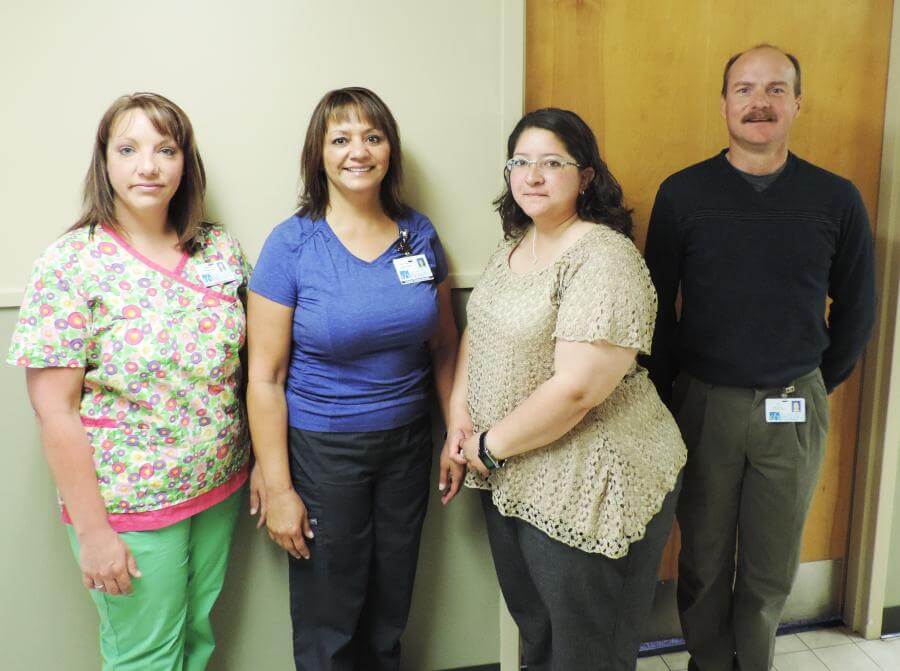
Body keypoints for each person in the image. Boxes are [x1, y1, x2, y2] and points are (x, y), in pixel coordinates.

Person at [642, 44, 876, 671]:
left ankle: (755, 662)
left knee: (772, 564)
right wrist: (669, 397)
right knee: (704, 558)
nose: (760, 103)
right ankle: (710, 663)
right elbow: (657, 308)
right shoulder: (683, 195)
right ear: (724, 104)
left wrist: (816, 383)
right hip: (703, 403)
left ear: (798, 103)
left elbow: (857, 310)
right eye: (744, 89)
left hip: (795, 403)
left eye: (776, 89)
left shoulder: (836, 199)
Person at [7, 92, 253, 670]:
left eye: (165, 149)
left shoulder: (218, 248)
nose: (149, 166)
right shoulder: (70, 263)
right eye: (129, 149)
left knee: (195, 634)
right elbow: (55, 412)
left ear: (185, 162)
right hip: (130, 506)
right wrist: (95, 534)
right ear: (106, 162)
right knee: (145, 655)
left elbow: (248, 367)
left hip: (216, 484)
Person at [446, 108, 686, 670]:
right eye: (521, 162)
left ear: (587, 176)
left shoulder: (604, 258)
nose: (533, 175)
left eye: (552, 162)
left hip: (590, 480)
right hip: (513, 473)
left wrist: (486, 447)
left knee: (586, 651)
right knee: (539, 633)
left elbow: (579, 389)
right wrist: (459, 418)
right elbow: (476, 336)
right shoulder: (514, 248)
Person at [246, 86, 459, 671]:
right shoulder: (291, 244)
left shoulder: (418, 234)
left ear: (390, 148)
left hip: (408, 444)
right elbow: (265, 377)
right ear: (319, 154)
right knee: (329, 615)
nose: (357, 151)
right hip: (323, 451)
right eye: (340, 139)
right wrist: (279, 483)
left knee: (390, 608)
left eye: (372, 136)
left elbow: (443, 345)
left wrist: (454, 430)